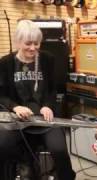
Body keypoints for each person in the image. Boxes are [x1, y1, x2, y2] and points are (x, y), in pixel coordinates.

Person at [0, 20, 75, 180]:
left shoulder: (48, 59)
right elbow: (1, 96)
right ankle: (23, 166)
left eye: (36, 43)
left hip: (44, 117)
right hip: (17, 119)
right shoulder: (5, 63)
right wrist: (15, 107)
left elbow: (53, 89)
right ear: (18, 42)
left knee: (59, 149)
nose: (33, 48)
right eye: (28, 43)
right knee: (2, 145)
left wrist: (47, 105)